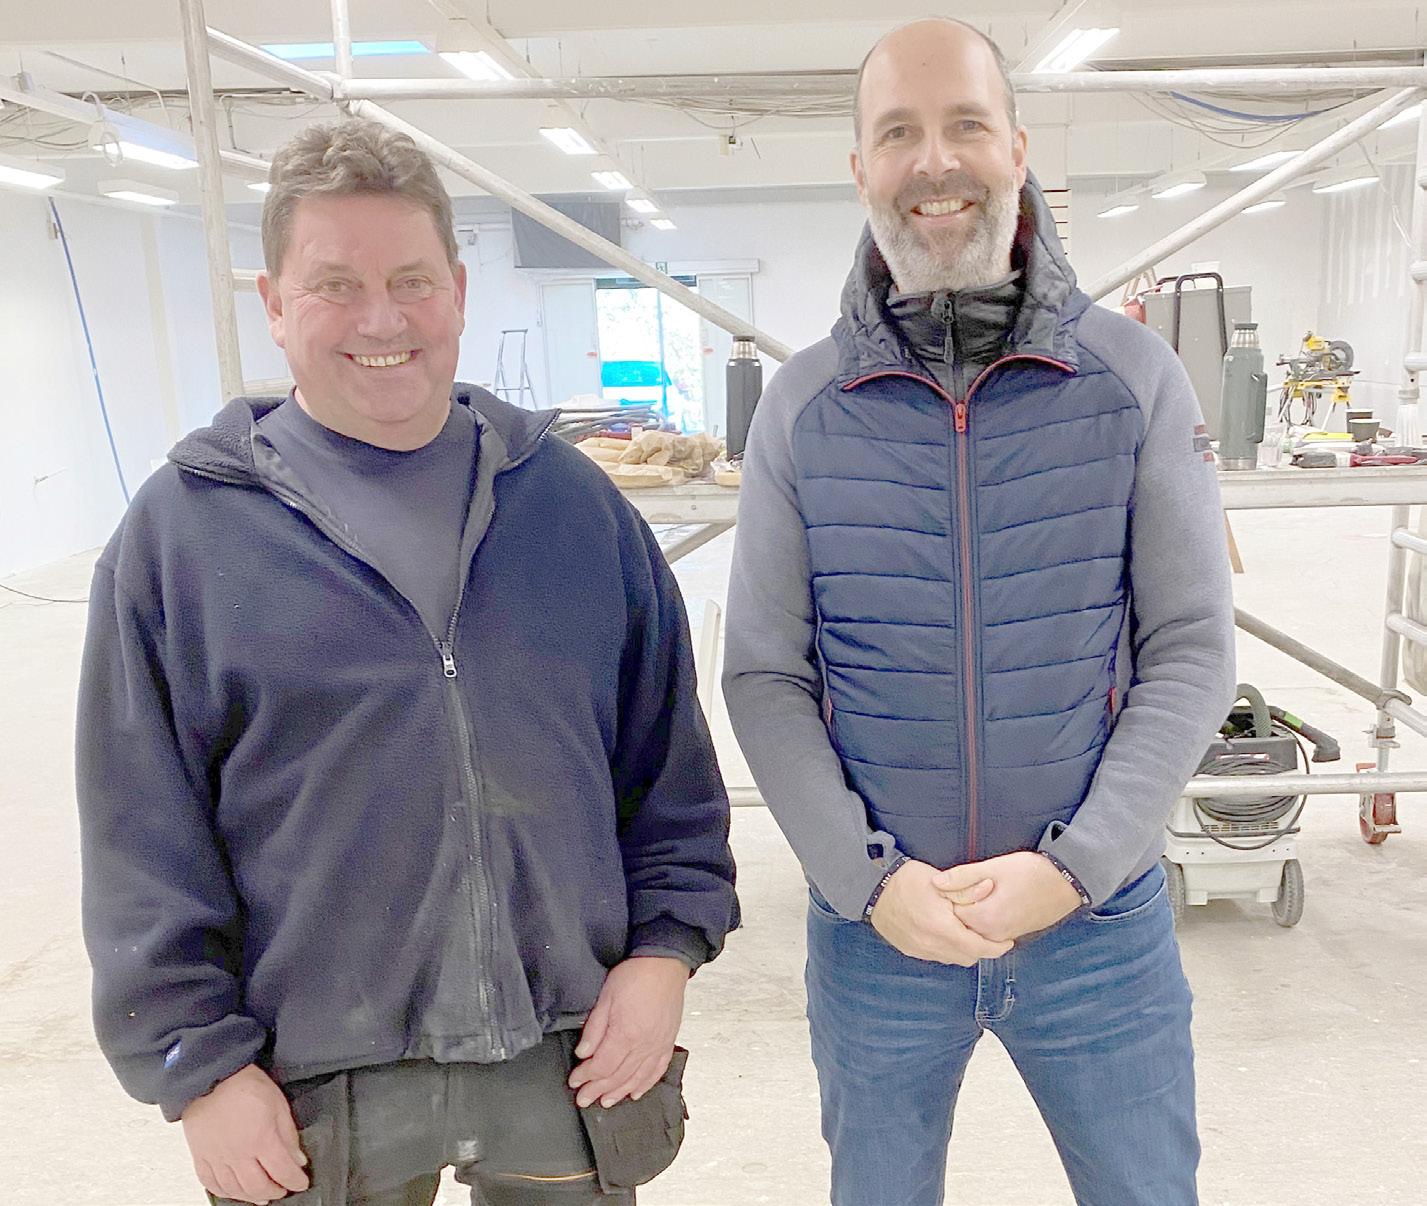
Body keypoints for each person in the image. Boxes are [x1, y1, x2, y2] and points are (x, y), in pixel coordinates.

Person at [76, 118, 738, 1206]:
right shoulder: (183, 535)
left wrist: (664, 956)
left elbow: (666, 771)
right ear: (274, 303)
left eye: (410, 281)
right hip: (308, 1079)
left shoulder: (572, 508)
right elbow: (138, 831)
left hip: (565, 1055)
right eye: (334, 285)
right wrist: (199, 1068)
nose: (380, 319)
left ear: (458, 293)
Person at [723, 17, 1234, 1206]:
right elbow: (762, 674)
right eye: (898, 132)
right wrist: (865, 881)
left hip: (1094, 932)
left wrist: (1078, 867)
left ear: (1015, 147)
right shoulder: (802, 408)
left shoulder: (1130, 381)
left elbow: (1189, 649)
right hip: (879, 940)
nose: (934, 160)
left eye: (963, 124)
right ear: (861, 167)